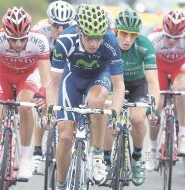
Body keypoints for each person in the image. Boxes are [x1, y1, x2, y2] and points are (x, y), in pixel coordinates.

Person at [47, 4, 125, 190]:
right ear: (79, 30)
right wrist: (50, 109)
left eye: (98, 38)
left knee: (97, 101)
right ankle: (60, 183)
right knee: (65, 137)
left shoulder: (110, 42)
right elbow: (53, 83)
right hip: (72, 78)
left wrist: (115, 112)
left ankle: (97, 155)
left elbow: (119, 84)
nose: (94, 43)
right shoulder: (65, 39)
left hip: (99, 77)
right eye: (89, 38)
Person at [0, 7, 50, 187]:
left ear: (29, 32)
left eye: (22, 39)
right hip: (4, 77)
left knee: (25, 106)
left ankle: (25, 158)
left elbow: (46, 76)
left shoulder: (39, 41)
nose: (18, 44)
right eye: (13, 40)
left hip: (28, 77)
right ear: (5, 34)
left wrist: (42, 92)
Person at [103, 8, 160, 186]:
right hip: (113, 82)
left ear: (137, 35)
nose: (128, 39)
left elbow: (152, 82)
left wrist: (153, 107)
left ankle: (136, 158)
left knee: (137, 118)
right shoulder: (107, 42)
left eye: (132, 35)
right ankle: (104, 158)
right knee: (108, 114)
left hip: (137, 84)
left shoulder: (145, 45)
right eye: (124, 34)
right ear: (116, 31)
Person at [146, 10, 185, 171]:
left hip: (181, 67)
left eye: (176, 38)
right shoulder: (153, 39)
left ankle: (183, 135)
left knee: (182, 88)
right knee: (156, 107)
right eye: (168, 36)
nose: (172, 41)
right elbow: (146, 72)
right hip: (160, 69)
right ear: (163, 30)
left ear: (184, 33)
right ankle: (152, 150)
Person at [31, 0, 76, 173]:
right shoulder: (39, 30)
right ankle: (37, 150)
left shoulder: (76, 31)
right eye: (56, 25)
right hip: (45, 66)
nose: (59, 29)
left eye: (64, 25)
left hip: (67, 66)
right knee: (42, 102)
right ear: (49, 21)